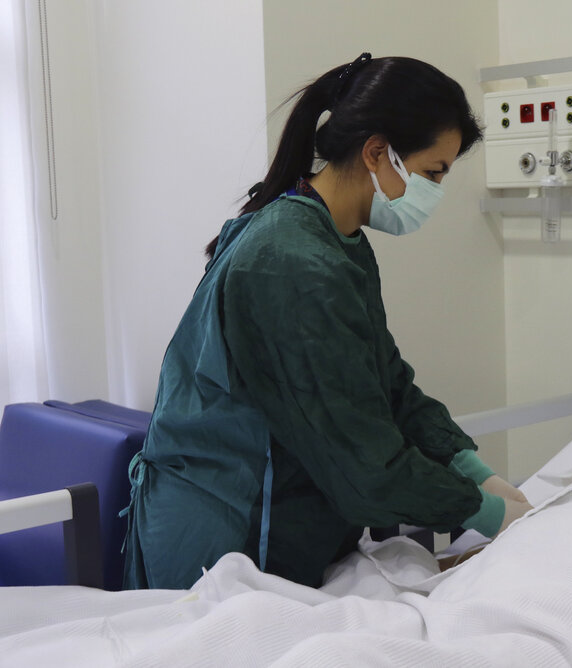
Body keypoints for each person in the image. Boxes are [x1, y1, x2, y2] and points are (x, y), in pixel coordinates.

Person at [122, 54, 531, 590]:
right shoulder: (292, 262)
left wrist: (471, 466)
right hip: (224, 546)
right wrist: (483, 511)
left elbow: (388, 385)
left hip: (275, 528)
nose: (435, 192)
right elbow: (366, 466)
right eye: (433, 173)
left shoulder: (335, 240)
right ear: (378, 153)